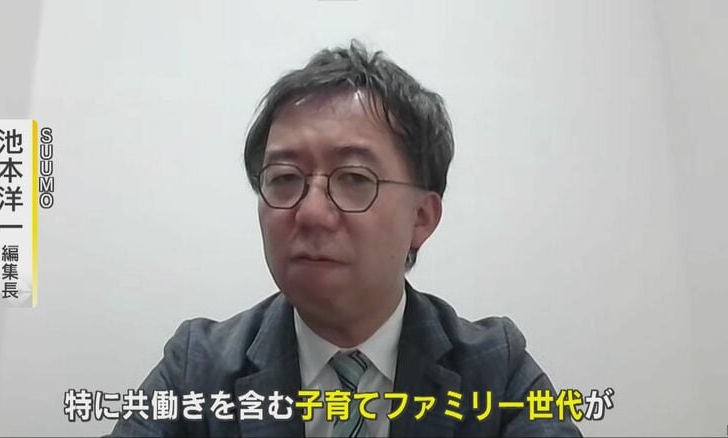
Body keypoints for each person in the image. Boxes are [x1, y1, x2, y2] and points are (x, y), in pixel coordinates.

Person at [109, 40, 582, 437]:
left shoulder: (495, 369)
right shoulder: (198, 369)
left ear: (422, 217)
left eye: (354, 178)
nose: (311, 212)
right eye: (284, 178)